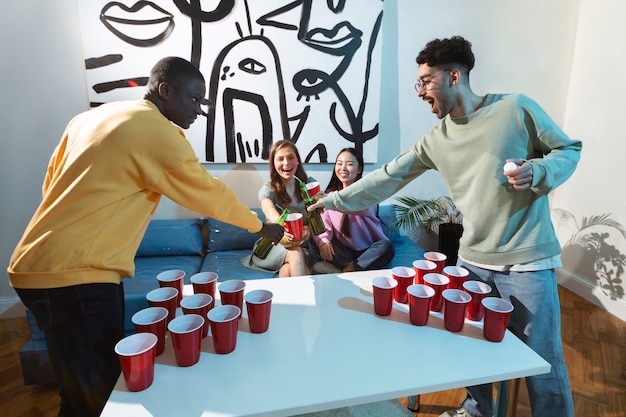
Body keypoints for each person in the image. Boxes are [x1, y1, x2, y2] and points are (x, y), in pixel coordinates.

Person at [308, 36, 580, 417]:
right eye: (417, 84)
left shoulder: (515, 108)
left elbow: (568, 149)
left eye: (426, 82)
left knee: (544, 365)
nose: (420, 92)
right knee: (473, 348)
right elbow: (388, 176)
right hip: (473, 260)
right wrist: (332, 199)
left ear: (454, 76)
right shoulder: (437, 139)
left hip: (528, 262)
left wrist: (540, 170)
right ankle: (477, 409)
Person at [7, 56, 284, 417]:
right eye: (194, 99)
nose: (199, 111)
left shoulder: (90, 118)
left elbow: (52, 182)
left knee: (75, 385)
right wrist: (260, 227)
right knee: (98, 395)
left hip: (32, 266)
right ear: (164, 91)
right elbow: (208, 192)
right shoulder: (155, 130)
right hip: (78, 276)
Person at [311, 147, 394, 274]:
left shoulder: (367, 194)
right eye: (339, 163)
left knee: (387, 248)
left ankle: (346, 270)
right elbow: (324, 226)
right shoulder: (330, 196)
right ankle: (351, 267)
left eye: (349, 164)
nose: (343, 168)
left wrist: (331, 201)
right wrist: (324, 241)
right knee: (317, 239)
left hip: (368, 250)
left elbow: (360, 208)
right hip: (344, 254)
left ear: (359, 169)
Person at [241, 140, 315, 277]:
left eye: (291, 157)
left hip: (301, 244)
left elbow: (317, 214)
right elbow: (268, 209)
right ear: (273, 164)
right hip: (274, 245)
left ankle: (292, 297)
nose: (286, 163)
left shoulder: (308, 185)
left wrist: (309, 229)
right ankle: (308, 297)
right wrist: (283, 228)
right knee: (296, 254)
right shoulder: (268, 189)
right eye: (280, 159)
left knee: (287, 269)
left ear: (297, 160)